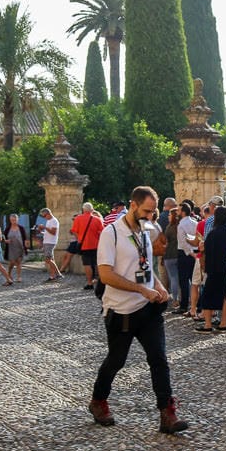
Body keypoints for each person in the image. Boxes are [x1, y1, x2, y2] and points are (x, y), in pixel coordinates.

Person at [88, 186, 187, 433]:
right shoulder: (111, 233)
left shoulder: (145, 231)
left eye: (153, 212)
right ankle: (98, 401)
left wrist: (158, 286)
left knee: (159, 359)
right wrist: (141, 289)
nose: (151, 216)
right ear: (133, 205)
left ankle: (167, 413)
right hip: (120, 311)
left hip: (148, 310)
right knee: (116, 360)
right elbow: (106, 274)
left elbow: (146, 267)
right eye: (146, 211)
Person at [196, 206, 226, 332]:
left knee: (208, 295)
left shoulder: (212, 233)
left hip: (213, 269)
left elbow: (207, 251)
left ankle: (207, 324)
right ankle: (223, 323)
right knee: (224, 296)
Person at [174, 203, 198, 315]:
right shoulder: (195, 222)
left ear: (183, 212)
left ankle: (184, 306)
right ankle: (196, 305)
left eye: (178, 210)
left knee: (184, 281)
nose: (177, 212)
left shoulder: (181, 225)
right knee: (194, 281)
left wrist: (190, 253)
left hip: (184, 254)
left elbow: (183, 242)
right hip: (195, 252)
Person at [39, 208, 64, 281]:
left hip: (50, 242)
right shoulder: (49, 221)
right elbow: (48, 232)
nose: (44, 217)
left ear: (49, 214)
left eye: (44, 216)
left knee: (47, 259)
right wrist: (41, 231)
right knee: (51, 259)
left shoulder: (54, 221)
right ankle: (52, 276)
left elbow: (53, 232)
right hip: (47, 242)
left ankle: (58, 274)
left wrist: (45, 227)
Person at [5, 214, 27, 284]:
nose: (13, 221)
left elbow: (25, 238)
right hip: (11, 248)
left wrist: (26, 247)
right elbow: (4, 237)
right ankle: (9, 274)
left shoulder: (21, 228)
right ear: (10, 220)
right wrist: (6, 241)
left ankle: (19, 277)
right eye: (12, 220)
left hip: (20, 247)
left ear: (17, 220)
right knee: (12, 262)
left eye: (14, 220)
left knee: (18, 262)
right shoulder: (8, 228)